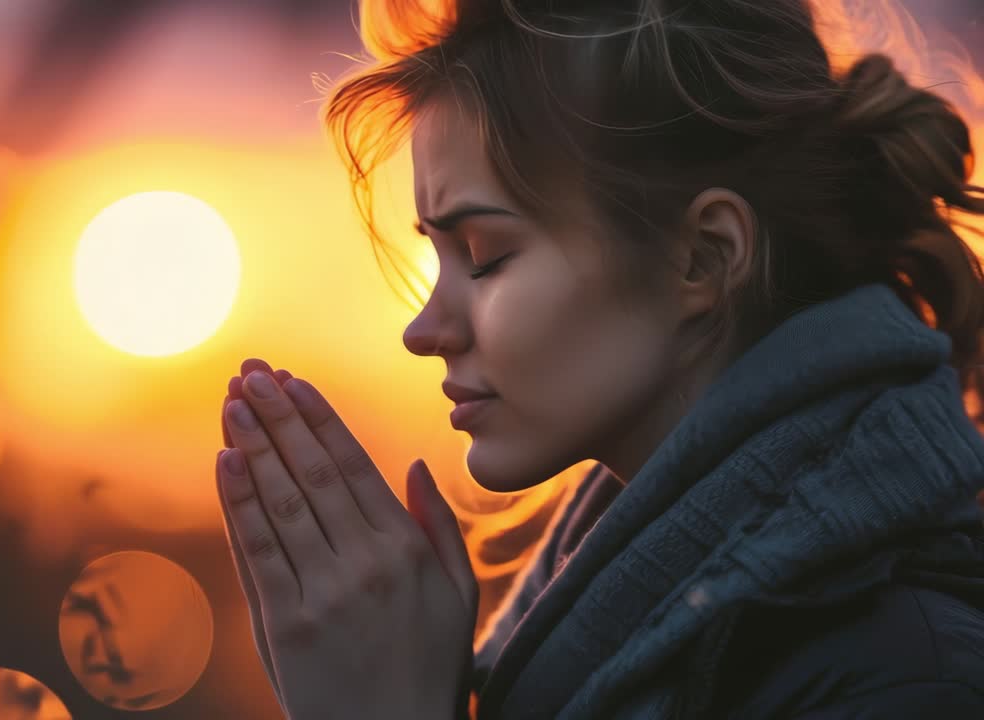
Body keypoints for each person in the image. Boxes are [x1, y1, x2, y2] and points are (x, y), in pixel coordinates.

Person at [214, 1, 984, 718]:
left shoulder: (903, 679)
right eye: (435, 256)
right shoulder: (658, 619)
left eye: (482, 255)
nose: (423, 329)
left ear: (703, 259)